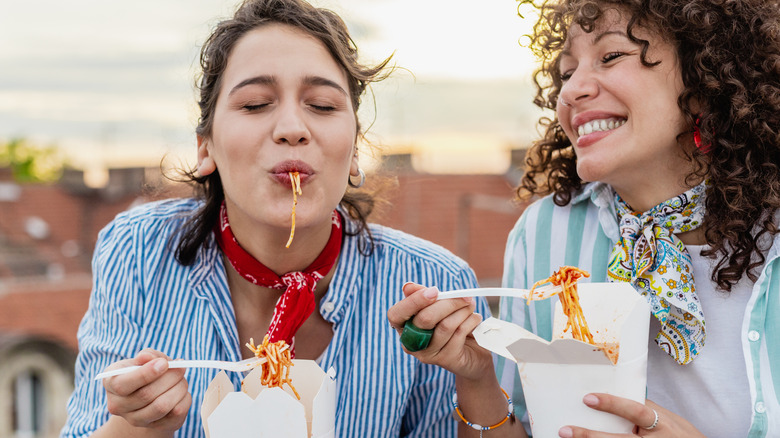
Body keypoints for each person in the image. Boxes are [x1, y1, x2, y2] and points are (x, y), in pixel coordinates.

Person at [60, 0, 491, 436]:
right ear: (205, 147)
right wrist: (141, 426)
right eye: (254, 104)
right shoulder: (137, 250)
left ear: (356, 149)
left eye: (322, 105)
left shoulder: (435, 281)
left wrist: (477, 379)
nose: (292, 127)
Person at [388, 0, 780, 436]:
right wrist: (476, 376)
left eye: (611, 56)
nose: (571, 91)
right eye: (566, 72)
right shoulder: (543, 232)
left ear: (705, 78)